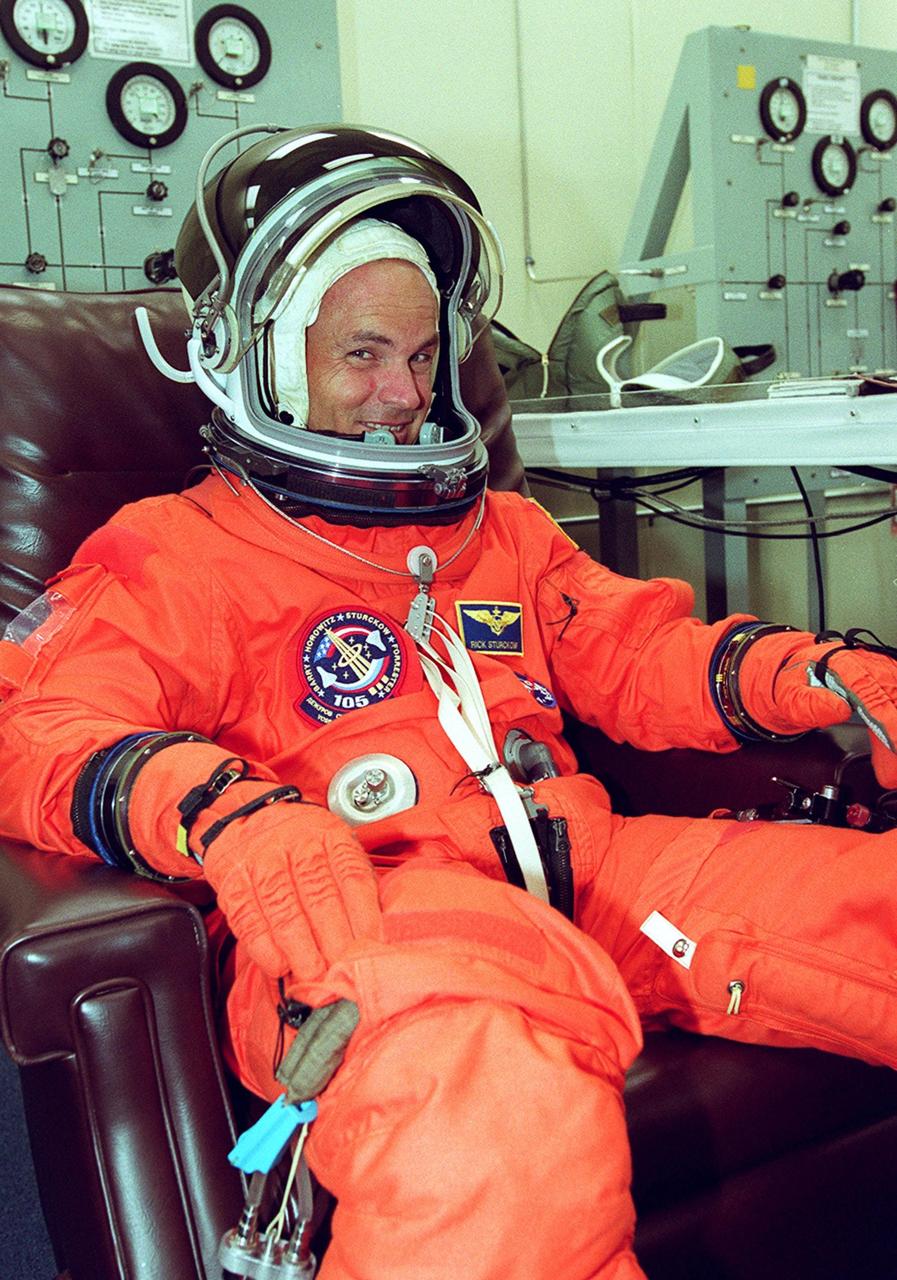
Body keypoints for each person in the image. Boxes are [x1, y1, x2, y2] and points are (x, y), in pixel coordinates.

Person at [1, 123, 897, 1280]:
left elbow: (636, 650)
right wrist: (227, 810)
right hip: (367, 922)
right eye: (364, 354)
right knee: (496, 1126)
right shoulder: (173, 556)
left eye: (424, 356)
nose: (405, 395)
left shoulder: (498, 531)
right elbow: (33, 728)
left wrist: (824, 674)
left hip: (589, 874)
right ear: (257, 357)